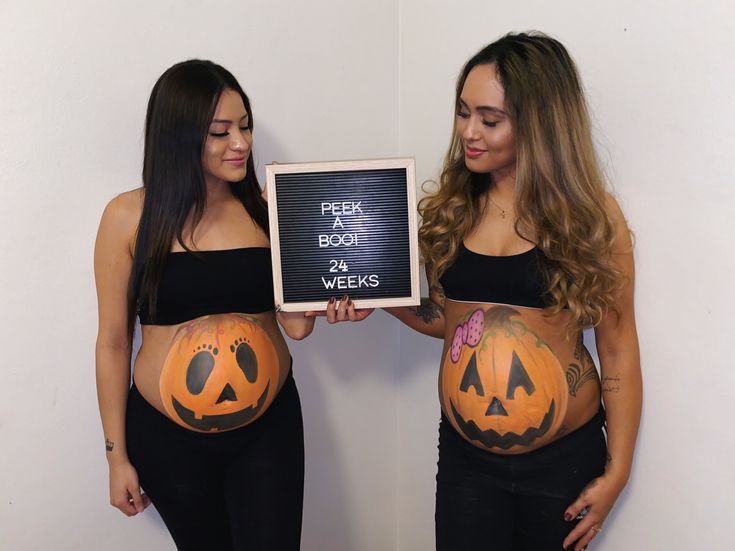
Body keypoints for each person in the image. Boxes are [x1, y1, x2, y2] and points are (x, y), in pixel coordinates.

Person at [385, 32, 642, 550]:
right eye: (463, 113)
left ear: (540, 124)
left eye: (489, 119)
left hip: (562, 464)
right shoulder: (454, 208)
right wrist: (384, 300)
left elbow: (616, 349)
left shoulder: (591, 218)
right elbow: (454, 325)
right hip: (466, 464)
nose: (468, 133)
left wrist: (618, 473)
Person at [94, 60, 314, 551]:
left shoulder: (269, 209)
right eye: (220, 132)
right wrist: (116, 457)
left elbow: (296, 327)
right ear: (178, 135)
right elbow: (112, 341)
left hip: (268, 430)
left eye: (245, 126)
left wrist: (332, 301)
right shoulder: (128, 217)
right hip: (168, 442)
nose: (241, 143)